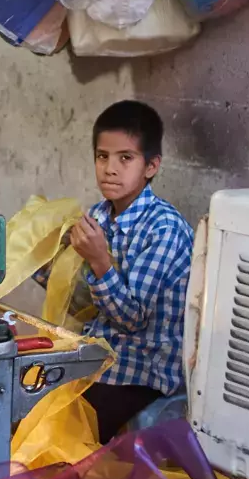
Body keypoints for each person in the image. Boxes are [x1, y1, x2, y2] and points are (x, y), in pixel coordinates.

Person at [69, 101, 194, 444]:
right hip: (100, 360)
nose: (110, 169)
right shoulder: (98, 214)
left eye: (125, 158)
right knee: (28, 401)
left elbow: (132, 318)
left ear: (151, 166)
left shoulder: (164, 228)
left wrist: (99, 261)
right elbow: (83, 303)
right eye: (102, 156)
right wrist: (51, 264)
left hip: (140, 375)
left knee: (65, 435)